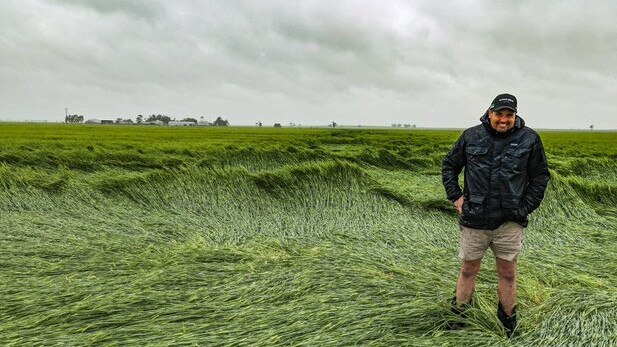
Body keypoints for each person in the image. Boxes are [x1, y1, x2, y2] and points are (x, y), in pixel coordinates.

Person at [441, 93, 550, 337]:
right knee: (468, 270)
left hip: (509, 221)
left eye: (509, 115)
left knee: (509, 273)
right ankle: (459, 316)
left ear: (515, 116)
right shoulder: (471, 136)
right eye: (499, 114)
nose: (503, 119)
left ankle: (508, 322)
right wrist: (456, 196)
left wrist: (524, 208)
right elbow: (450, 166)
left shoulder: (529, 139)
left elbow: (540, 176)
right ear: (489, 113)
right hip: (475, 218)